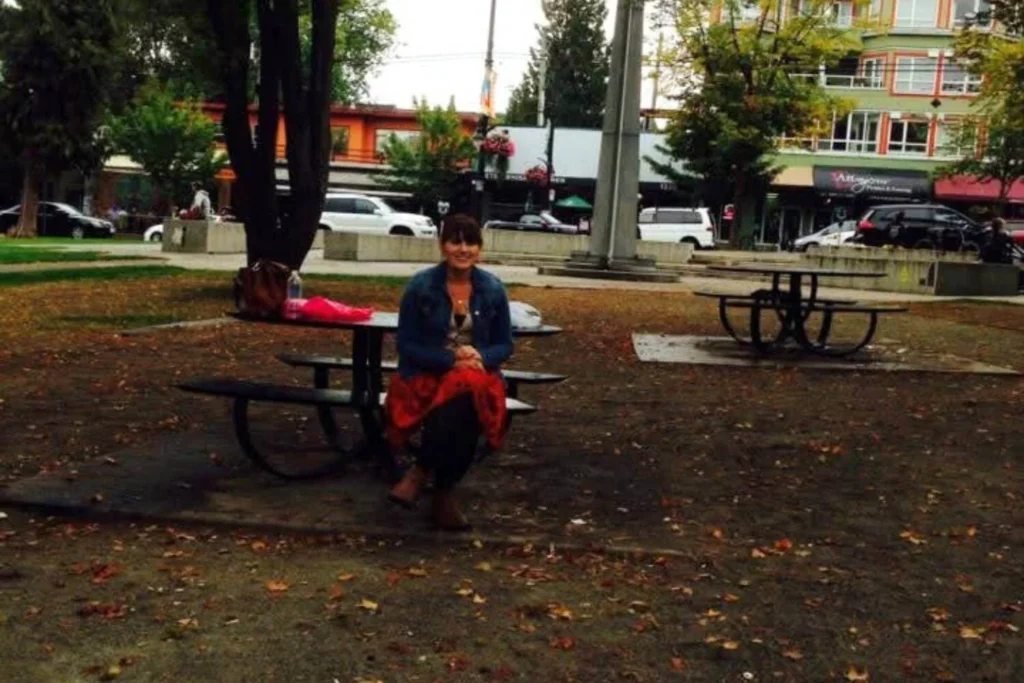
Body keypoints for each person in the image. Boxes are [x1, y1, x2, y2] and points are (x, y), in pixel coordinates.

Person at [385, 214, 514, 531]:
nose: (463, 249)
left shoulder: (493, 289)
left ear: (479, 249)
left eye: (470, 242)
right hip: (426, 374)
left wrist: (480, 355)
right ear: (442, 246)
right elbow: (406, 345)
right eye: (455, 241)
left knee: (466, 395)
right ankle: (443, 495)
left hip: (476, 376)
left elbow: (505, 345)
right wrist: (450, 360)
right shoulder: (421, 287)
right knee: (462, 406)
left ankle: (421, 472)